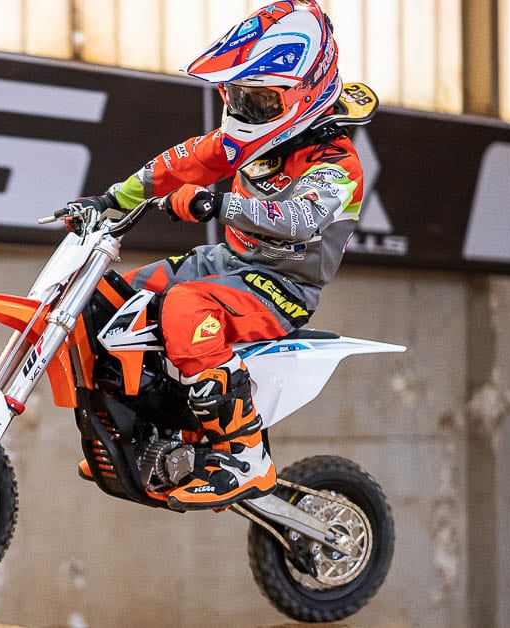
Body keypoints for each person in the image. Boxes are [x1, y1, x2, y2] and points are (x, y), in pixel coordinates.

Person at [69, 0, 375, 511]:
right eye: (238, 97)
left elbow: (299, 219)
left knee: (184, 308)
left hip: (282, 286)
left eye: (261, 101)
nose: (246, 112)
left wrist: (219, 203)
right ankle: (140, 436)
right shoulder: (248, 138)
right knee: (116, 299)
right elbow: (180, 163)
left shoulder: (337, 163)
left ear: (307, 92)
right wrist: (110, 200)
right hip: (229, 263)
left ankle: (245, 455)